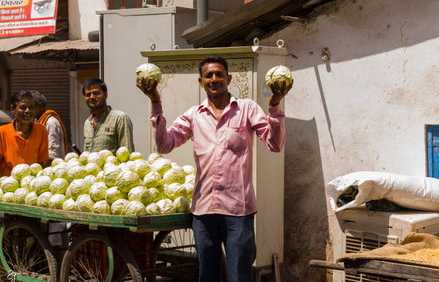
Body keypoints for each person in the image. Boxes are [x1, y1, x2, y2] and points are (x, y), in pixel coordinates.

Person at [137, 55, 292, 282]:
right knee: (207, 275)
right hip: (204, 212)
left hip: (238, 211)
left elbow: (275, 144)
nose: (214, 79)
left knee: (240, 275)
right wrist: (155, 102)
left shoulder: (247, 109)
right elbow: (164, 144)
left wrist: (275, 105)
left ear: (228, 79)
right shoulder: (194, 115)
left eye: (219, 74)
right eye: (208, 75)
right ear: (201, 82)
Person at [0, 90, 49, 181]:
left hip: (30, 190)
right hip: (6, 191)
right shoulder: (1, 133)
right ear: (12, 109)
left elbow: (41, 163)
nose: (28, 111)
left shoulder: (41, 130)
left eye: (31, 107)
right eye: (23, 107)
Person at [82, 78, 135, 155]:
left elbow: (127, 152)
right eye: (88, 95)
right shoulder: (87, 123)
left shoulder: (120, 118)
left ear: (105, 94)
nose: (92, 97)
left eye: (96, 93)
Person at [30, 90, 68, 162]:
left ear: (40, 106)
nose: (27, 110)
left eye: (31, 107)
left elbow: (52, 153)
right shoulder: (36, 121)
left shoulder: (50, 123)